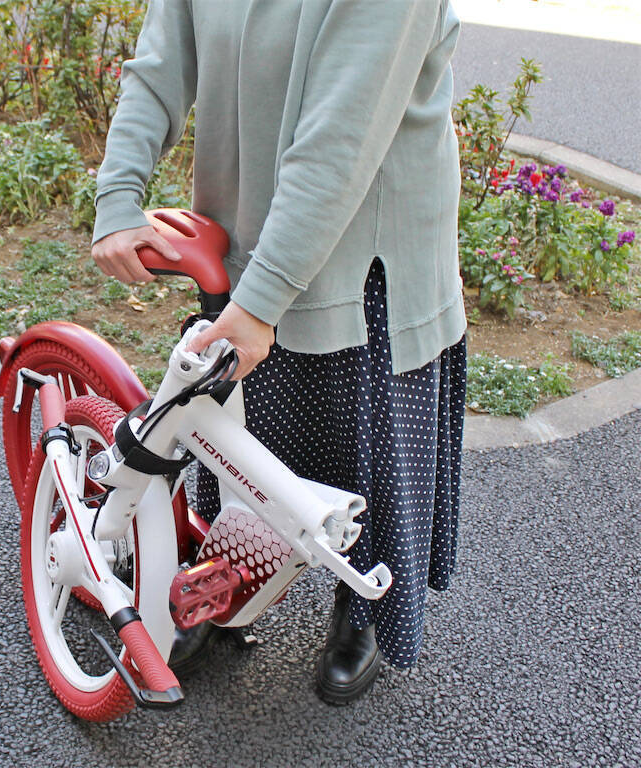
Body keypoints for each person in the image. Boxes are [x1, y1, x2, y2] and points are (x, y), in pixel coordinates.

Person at [91, 0, 466, 705]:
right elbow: (161, 63)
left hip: (367, 250)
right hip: (250, 224)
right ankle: (230, 579)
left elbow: (341, 139)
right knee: (244, 430)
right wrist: (117, 193)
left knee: (364, 443)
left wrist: (262, 301)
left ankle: (363, 608)